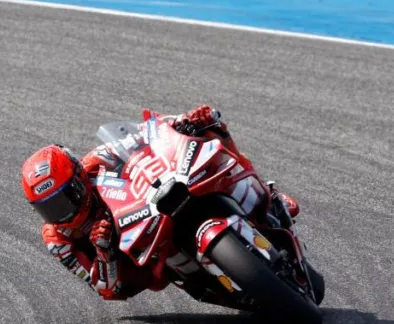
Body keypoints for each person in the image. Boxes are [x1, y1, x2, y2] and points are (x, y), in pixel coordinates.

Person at [20, 106, 299, 307]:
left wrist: (185, 121)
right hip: (137, 261)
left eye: (65, 198)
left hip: (154, 210)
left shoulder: (98, 161)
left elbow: (148, 133)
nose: (63, 212)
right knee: (158, 274)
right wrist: (104, 252)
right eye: (50, 208)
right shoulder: (57, 240)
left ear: (79, 178)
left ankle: (269, 195)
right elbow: (106, 290)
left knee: (213, 132)